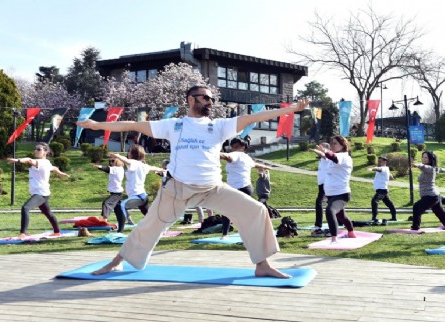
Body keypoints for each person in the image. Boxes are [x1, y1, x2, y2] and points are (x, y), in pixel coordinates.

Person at [77, 85, 309, 278]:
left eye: (211, 98)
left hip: (213, 188)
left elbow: (255, 116)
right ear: (191, 99)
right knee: (150, 225)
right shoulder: (173, 124)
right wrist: (97, 126)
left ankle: (263, 265)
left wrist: (291, 109)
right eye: (205, 97)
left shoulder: (219, 125)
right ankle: (117, 261)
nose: (210, 101)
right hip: (177, 189)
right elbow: (131, 125)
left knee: (257, 210)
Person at [6, 142, 70, 239]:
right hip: (41, 193)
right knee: (48, 213)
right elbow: (54, 168)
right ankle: (57, 232)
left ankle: (23, 233)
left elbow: (28, 160)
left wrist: (17, 160)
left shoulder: (41, 162)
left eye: (39, 149)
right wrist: (60, 173)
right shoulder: (47, 163)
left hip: (41, 193)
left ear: (45, 152)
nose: (36, 150)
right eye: (35, 149)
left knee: (25, 208)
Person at [219, 137, 271, 239]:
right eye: (233, 147)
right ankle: (251, 232)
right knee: (243, 212)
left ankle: (225, 234)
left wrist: (213, 153)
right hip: (246, 188)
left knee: (227, 210)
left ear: (243, 147)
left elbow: (227, 156)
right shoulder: (247, 158)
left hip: (237, 188)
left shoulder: (235, 154)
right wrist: (266, 166)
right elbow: (255, 164)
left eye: (237, 146)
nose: (234, 149)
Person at [310, 135, 355, 242]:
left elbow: (333, 157)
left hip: (342, 193)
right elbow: (328, 156)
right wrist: (320, 152)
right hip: (331, 193)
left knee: (330, 211)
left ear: (342, 145)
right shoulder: (333, 157)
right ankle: (351, 232)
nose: (332, 145)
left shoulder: (344, 157)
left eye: (335, 143)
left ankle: (334, 238)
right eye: (332, 143)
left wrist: (325, 150)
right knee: (341, 216)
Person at [112, 145, 163, 232]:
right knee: (149, 216)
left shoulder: (133, 163)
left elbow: (126, 160)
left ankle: (120, 232)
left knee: (120, 206)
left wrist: (117, 155)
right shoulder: (143, 165)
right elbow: (153, 168)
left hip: (138, 196)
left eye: (129, 151)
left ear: (132, 154)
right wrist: (162, 169)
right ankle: (159, 228)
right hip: (143, 197)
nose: (128, 153)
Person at [410, 151, 445, 231]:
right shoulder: (433, 169)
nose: (423, 158)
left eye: (426, 157)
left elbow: (423, 167)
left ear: (430, 159)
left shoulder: (430, 169)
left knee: (417, 207)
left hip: (430, 196)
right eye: (423, 157)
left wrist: (417, 165)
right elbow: (439, 169)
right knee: (440, 212)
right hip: (434, 195)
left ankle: (415, 227)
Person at [93, 157, 125, 222]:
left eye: (112, 161)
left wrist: (99, 166)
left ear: (117, 161)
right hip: (116, 192)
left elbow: (106, 168)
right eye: (110, 161)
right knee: (119, 208)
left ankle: (104, 220)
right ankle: (129, 219)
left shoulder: (116, 169)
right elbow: (108, 169)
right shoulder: (119, 169)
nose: (111, 162)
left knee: (106, 203)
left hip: (117, 193)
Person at [308, 142, 331, 237]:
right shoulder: (322, 159)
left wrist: (315, 150)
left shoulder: (327, 157)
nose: (318, 148)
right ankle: (338, 221)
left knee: (319, 202)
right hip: (322, 184)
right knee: (330, 204)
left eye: (321, 147)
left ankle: (318, 225)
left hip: (326, 184)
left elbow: (323, 154)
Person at [369, 156, 397, 223]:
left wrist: (372, 168)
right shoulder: (386, 169)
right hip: (383, 190)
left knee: (374, 201)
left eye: (380, 161)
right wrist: (388, 176)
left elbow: (378, 169)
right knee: (389, 204)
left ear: (385, 161)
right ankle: (394, 218)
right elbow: (391, 177)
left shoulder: (383, 168)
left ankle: (374, 218)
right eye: (378, 161)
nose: (378, 162)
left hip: (382, 190)